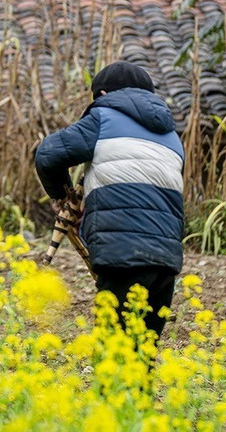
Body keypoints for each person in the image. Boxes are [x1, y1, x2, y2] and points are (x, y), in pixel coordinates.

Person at [34, 61, 184, 337]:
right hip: (166, 258)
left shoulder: (103, 116)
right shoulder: (172, 137)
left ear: (103, 95)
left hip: (121, 254)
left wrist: (61, 196)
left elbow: (48, 155)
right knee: (143, 353)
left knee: (113, 351)